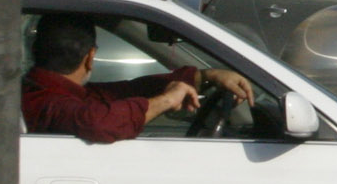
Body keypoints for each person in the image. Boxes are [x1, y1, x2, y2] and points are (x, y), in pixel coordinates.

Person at [22, 12, 252, 144]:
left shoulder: (47, 91)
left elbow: (122, 92)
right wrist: (166, 100)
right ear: (90, 57)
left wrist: (204, 76)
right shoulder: (46, 101)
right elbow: (99, 122)